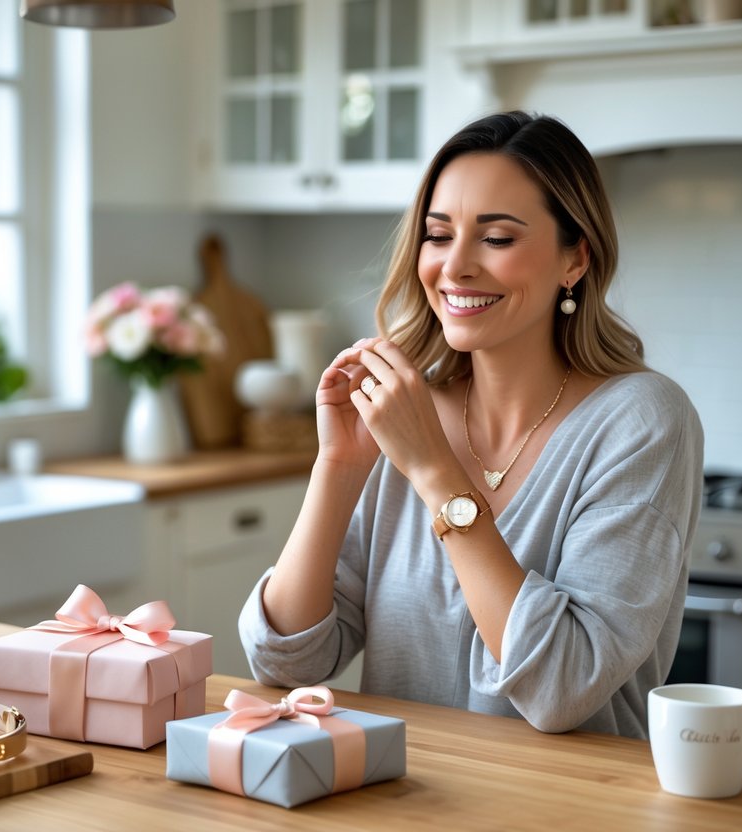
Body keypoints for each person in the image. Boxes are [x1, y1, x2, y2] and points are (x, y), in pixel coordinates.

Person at [238, 111, 704, 739]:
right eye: (438, 235)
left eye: (498, 238)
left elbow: (563, 686)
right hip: (403, 803)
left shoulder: (642, 421)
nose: (455, 267)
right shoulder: (402, 413)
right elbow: (286, 662)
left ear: (576, 258)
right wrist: (339, 468)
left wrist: (434, 471)